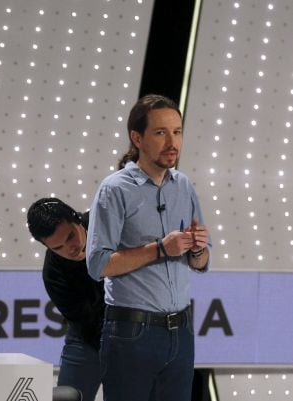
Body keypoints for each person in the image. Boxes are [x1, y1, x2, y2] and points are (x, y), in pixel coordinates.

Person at [86, 94, 211, 401]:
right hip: (132, 334)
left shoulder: (184, 186)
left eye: (177, 132)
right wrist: (159, 249)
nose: (172, 142)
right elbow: (98, 265)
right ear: (137, 138)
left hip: (180, 333)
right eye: (161, 132)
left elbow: (202, 262)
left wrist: (197, 249)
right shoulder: (114, 189)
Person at [27, 198, 105, 401]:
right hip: (89, 337)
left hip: (140, 327)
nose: (70, 248)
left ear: (77, 219)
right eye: (58, 247)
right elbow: (86, 324)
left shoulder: (107, 223)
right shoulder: (53, 273)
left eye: (71, 236)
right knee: (68, 396)